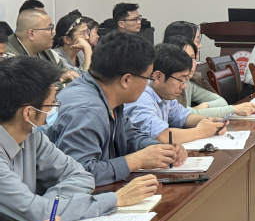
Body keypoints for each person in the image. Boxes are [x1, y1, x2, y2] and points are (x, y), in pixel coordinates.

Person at [0, 56, 158, 221]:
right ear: (28, 113)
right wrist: (114, 199)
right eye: (51, 104)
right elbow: (40, 214)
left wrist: (49, 206)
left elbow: (81, 175)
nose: (55, 108)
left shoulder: (33, 136)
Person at [48, 32, 186, 185]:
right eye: (147, 78)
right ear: (126, 80)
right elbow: (80, 174)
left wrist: (159, 149)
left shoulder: (107, 94)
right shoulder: (86, 110)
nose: (148, 84)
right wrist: (136, 160)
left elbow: (130, 136)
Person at [125, 43, 226, 143]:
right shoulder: (141, 97)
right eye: (180, 80)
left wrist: (210, 122)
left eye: (186, 79)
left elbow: (184, 117)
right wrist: (200, 131)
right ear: (158, 76)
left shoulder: (164, 94)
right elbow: (161, 136)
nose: (184, 86)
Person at [163, 35, 255, 118]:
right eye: (185, 58)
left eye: (193, 58)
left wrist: (204, 106)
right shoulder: (167, 83)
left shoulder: (188, 81)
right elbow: (186, 115)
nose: (191, 63)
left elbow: (221, 102)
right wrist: (233, 109)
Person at [6, 9, 78, 83]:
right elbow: (31, 87)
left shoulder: (48, 51)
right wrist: (61, 81)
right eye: (49, 28)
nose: (53, 32)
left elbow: (68, 77)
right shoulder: (8, 57)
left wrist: (64, 79)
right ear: (31, 34)